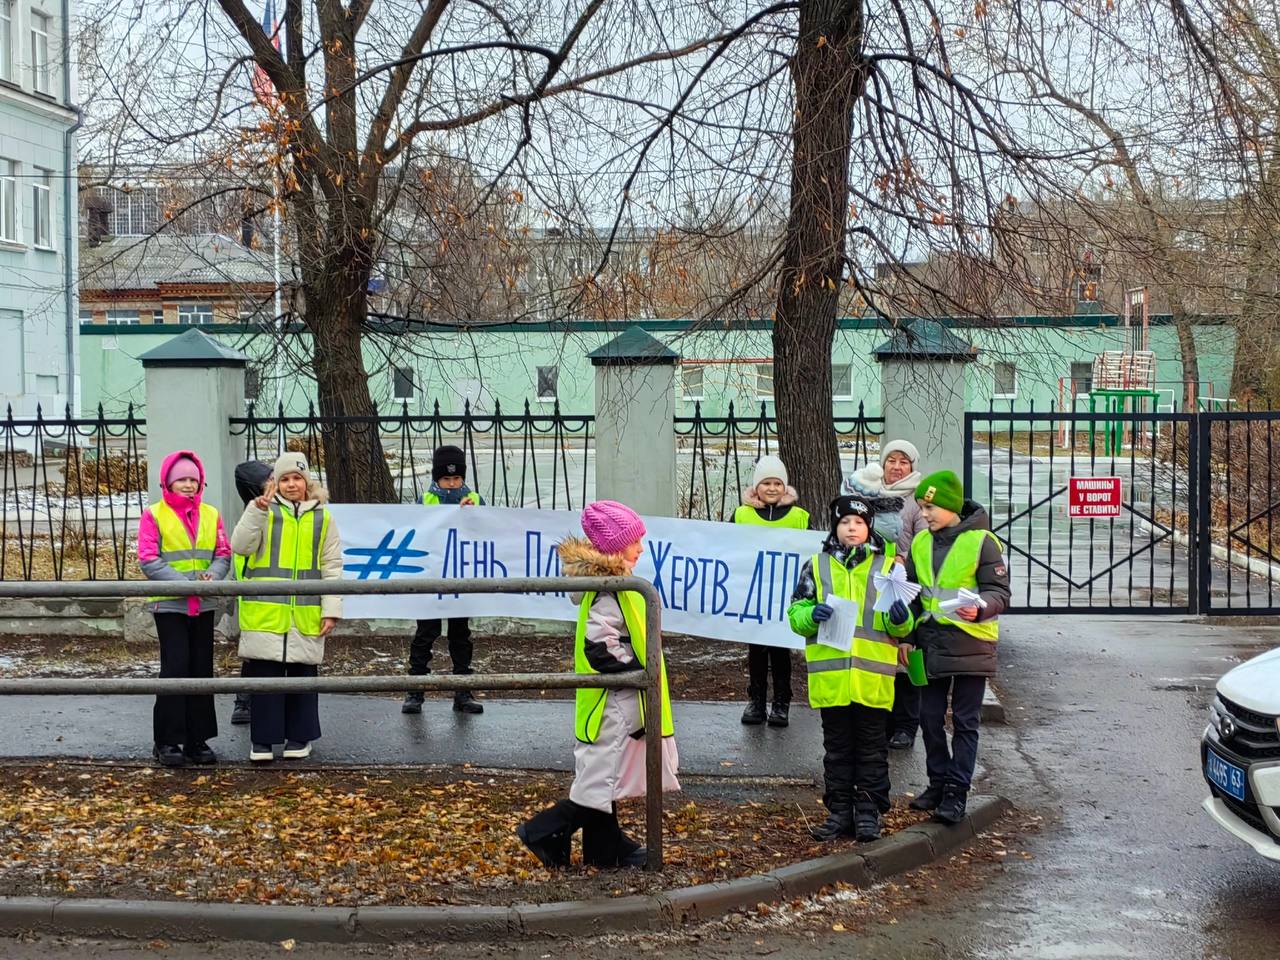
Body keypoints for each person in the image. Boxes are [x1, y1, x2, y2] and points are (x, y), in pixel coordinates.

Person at [517, 500, 679, 869]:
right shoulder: (609, 591)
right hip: (615, 699)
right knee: (599, 778)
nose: (640, 549)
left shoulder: (616, 586)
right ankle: (542, 830)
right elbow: (599, 647)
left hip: (616, 698)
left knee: (607, 774)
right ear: (613, 547)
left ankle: (605, 847)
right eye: (634, 542)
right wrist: (640, 672)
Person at [787, 495, 914, 842]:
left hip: (872, 680)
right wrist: (809, 616)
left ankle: (869, 813)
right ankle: (840, 812)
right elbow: (796, 613)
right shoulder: (817, 565)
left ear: (869, 527)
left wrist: (901, 620)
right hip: (832, 681)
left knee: (872, 750)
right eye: (845, 522)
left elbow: (899, 625)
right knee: (838, 750)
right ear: (835, 528)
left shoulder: (887, 568)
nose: (852, 528)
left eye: (858, 523)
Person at [901, 470, 1010, 825]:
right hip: (930, 645)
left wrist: (980, 607)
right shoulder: (920, 543)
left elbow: (999, 593)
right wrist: (906, 636)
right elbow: (915, 595)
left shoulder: (983, 541)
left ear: (950, 506)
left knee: (965, 722)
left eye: (930, 507)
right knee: (929, 719)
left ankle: (957, 792)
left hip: (970, 645)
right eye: (921, 506)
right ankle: (937, 783)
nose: (926, 514)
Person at [231, 452, 342, 762]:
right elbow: (240, 546)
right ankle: (262, 741)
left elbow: (332, 565)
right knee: (265, 679)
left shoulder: (323, 517)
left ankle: (299, 737)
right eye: (284, 479)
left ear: (306, 482)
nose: (291, 484)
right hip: (266, 612)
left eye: (297, 478)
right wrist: (256, 511)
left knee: (302, 677)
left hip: (305, 613)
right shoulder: (260, 510)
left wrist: (331, 609)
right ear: (275, 483)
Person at [136, 450, 232, 767]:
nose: (189, 485)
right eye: (182, 480)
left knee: (201, 669)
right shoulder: (154, 515)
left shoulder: (211, 514)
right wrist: (182, 582)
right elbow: (148, 559)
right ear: (169, 483)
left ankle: (197, 739)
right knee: (175, 668)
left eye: (193, 479)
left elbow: (223, 554)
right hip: (171, 605)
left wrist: (212, 576)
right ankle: (166, 740)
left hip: (203, 603)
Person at [845, 440, 927, 750]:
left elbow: (923, 543)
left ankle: (906, 725)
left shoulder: (917, 501)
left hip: (906, 582)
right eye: (891, 460)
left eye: (903, 462)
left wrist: (903, 559)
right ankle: (882, 720)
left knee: (904, 652)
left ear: (911, 467)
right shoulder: (871, 492)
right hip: (871, 580)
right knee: (881, 651)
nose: (896, 467)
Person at [403, 444, 485, 716]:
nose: (452, 484)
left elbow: (490, 532)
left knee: (461, 635)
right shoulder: (425, 502)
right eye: (446, 479)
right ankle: (415, 691)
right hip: (431, 579)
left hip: (462, 579)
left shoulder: (474, 499)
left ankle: (463, 692)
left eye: (456, 478)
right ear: (437, 479)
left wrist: (475, 514)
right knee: (425, 634)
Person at [732, 454, 809, 728]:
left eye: (778, 483)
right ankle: (756, 700)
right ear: (756, 487)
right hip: (753, 595)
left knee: (780, 651)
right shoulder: (742, 514)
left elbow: (808, 556)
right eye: (766, 483)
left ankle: (781, 702)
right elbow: (725, 547)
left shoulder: (800, 517)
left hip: (784, 596)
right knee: (756, 650)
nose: (773, 488)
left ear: (785, 486)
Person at [229, 459, 273, 726]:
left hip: (268, 596)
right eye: (270, 481)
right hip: (257, 598)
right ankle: (243, 701)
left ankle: (246, 701)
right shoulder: (254, 516)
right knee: (256, 655)